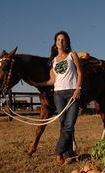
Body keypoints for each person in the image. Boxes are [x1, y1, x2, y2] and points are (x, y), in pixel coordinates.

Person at [32, 31, 82, 165]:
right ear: (55, 43)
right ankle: (69, 154)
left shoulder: (72, 55)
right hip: (58, 94)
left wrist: (78, 88)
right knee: (63, 124)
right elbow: (52, 81)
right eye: (58, 40)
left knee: (69, 124)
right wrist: (38, 84)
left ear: (67, 43)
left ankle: (59, 151)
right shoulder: (53, 61)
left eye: (63, 40)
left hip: (72, 93)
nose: (61, 42)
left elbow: (79, 72)